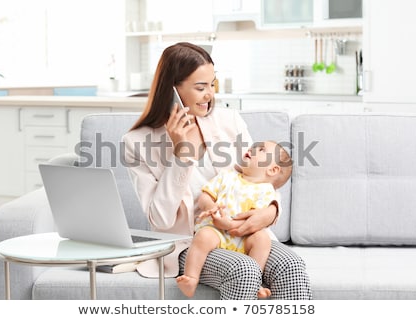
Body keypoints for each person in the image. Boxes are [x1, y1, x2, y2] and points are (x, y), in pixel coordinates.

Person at [122, 42, 312, 299]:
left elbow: (260, 177)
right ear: (172, 91)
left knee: (291, 267)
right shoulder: (136, 142)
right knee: (243, 270)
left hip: (241, 233)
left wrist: (270, 211)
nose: (209, 94)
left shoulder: (229, 121)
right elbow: (161, 218)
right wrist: (181, 155)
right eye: (200, 87)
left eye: (212, 84)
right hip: (190, 242)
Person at [176, 140, 292, 298]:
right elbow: (205, 197)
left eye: (261, 150)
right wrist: (211, 207)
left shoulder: (266, 191)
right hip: (217, 232)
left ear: (272, 170)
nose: (252, 149)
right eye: (254, 147)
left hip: (244, 237)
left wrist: (229, 223)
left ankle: (255, 283)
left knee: (262, 239)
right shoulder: (227, 177)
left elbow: (254, 220)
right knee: (203, 237)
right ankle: (191, 278)